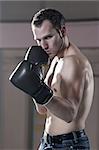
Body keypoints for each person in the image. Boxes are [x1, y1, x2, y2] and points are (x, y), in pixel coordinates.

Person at [9, 8, 94, 150]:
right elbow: (43, 109)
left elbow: (69, 114)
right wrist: (35, 85)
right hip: (48, 141)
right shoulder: (55, 59)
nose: (43, 46)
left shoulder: (73, 62)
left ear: (63, 31)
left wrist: (38, 90)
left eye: (48, 37)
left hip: (69, 145)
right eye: (38, 40)